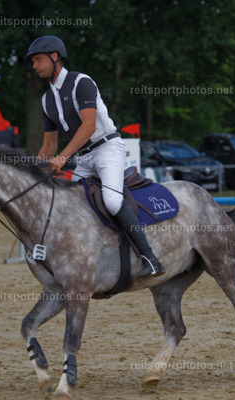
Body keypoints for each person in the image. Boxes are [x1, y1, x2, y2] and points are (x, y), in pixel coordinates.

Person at [25, 35, 165, 279]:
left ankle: (150, 258)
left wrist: (63, 157)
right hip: (83, 159)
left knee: (112, 201)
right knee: (66, 205)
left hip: (107, 149)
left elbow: (89, 126)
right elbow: (49, 145)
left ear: (55, 57)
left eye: (38, 60)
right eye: (33, 62)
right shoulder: (46, 100)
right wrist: (32, 173)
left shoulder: (81, 82)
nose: (35, 66)